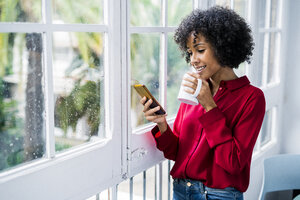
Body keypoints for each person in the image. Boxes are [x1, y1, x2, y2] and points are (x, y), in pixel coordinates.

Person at [140, 6, 265, 200]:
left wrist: (209, 106)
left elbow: (232, 163)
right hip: (181, 190)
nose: (193, 60)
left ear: (223, 47)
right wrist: (162, 125)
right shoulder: (193, 91)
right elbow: (177, 153)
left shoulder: (252, 98)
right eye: (190, 52)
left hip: (218, 196)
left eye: (200, 50)